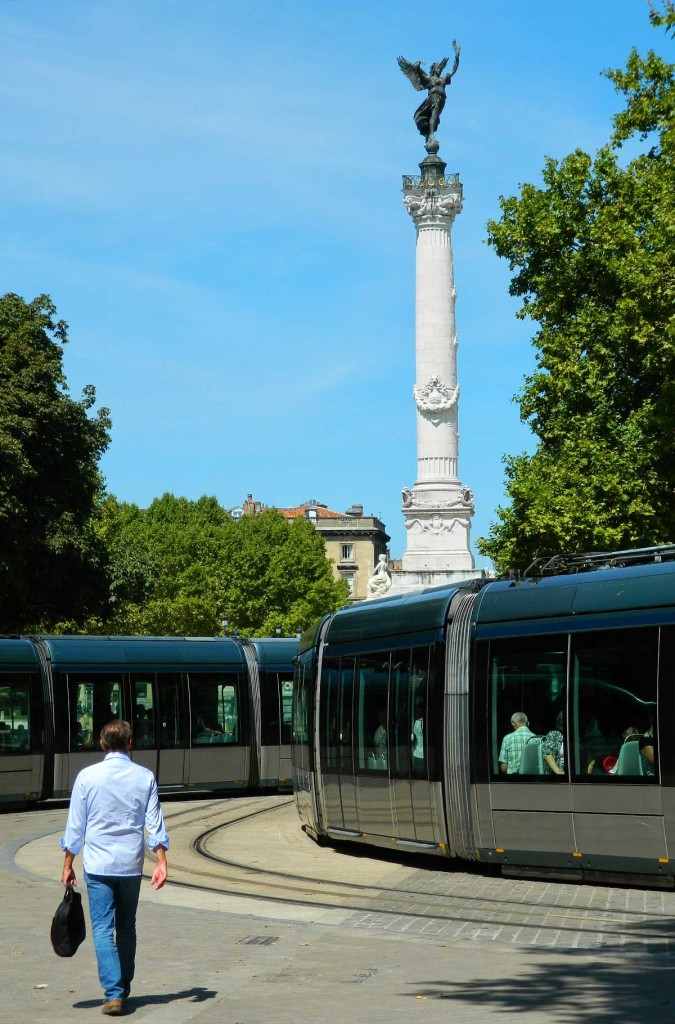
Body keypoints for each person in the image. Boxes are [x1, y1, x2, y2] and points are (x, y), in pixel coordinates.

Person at [59, 719, 169, 1016]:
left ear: (102, 743)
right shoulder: (145, 777)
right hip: (130, 865)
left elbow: (75, 826)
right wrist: (161, 861)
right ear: (130, 744)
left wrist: (68, 863)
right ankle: (123, 985)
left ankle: (114, 992)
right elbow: (154, 823)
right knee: (127, 927)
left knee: (104, 929)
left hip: (97, 865)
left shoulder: (87, 777)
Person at [542, 711, 565, 776]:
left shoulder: (578, 736)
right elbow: (548, 755)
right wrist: (559, 772)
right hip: (557, 773)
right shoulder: (554, 735)